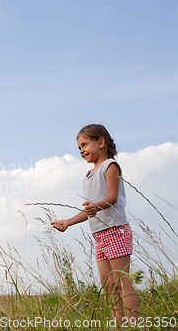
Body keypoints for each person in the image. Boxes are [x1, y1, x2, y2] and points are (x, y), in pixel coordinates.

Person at [51, 124, 139, 325]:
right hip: (99, 234)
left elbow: (112, 197)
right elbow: (89, 210)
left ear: (101, 142)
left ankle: (135, 325)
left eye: (84, 144)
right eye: (79, 147)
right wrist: (68, 222)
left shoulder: (110, 166)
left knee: (122, 282)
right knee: (107, 283)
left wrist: (95, 207)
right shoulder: (88, 176)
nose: (81, 150)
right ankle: (119, 325)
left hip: (115, 230)